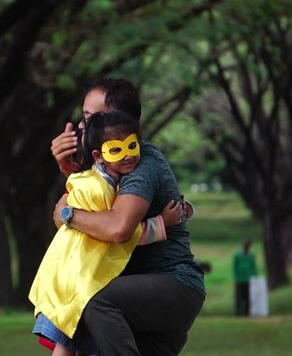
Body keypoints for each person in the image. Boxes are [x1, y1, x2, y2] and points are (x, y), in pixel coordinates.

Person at [51, 78, 205, 355]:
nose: (81, 127)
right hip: (132, 294)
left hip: (171, 284)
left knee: (94, 300)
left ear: (117, 119)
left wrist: (69, 212)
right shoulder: (105, 166)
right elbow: (65, 224)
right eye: (83, 117)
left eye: (89, 117)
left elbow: (117, 228)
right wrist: (70, 173)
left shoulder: (140, 163)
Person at [30, 111, 183, 356]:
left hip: (77, 273)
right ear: (98, 156)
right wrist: (161, 223)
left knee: (74, 346)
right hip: (77, 278)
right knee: (67, 347)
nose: (128, 155)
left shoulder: (104, 182)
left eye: (132, 146)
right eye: (116, 149)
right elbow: (119, 232)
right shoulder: (98, 189)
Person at [233, 239, 257, 316]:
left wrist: (255, 278)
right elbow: (235, 267)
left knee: (248, 298)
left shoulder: (251, 255)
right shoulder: (237, 255)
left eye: (248, 246)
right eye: (245, 245)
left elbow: (253, 267)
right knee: (239, 298)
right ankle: (238, 314)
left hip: (248, 280)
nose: (246, 247)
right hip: (239, 280)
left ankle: (246, 314)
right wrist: (236, 278)